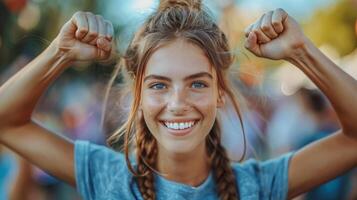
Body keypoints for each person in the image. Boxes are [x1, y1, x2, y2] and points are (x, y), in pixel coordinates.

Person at [0, 0, 356, 199]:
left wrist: (302, 50)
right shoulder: (108, 177)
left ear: (220, 92)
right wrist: (58, 53)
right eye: (158, 85)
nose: (177, 102)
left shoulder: (256, 185)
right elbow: (6, 123)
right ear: (137, 95)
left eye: (197, 84)